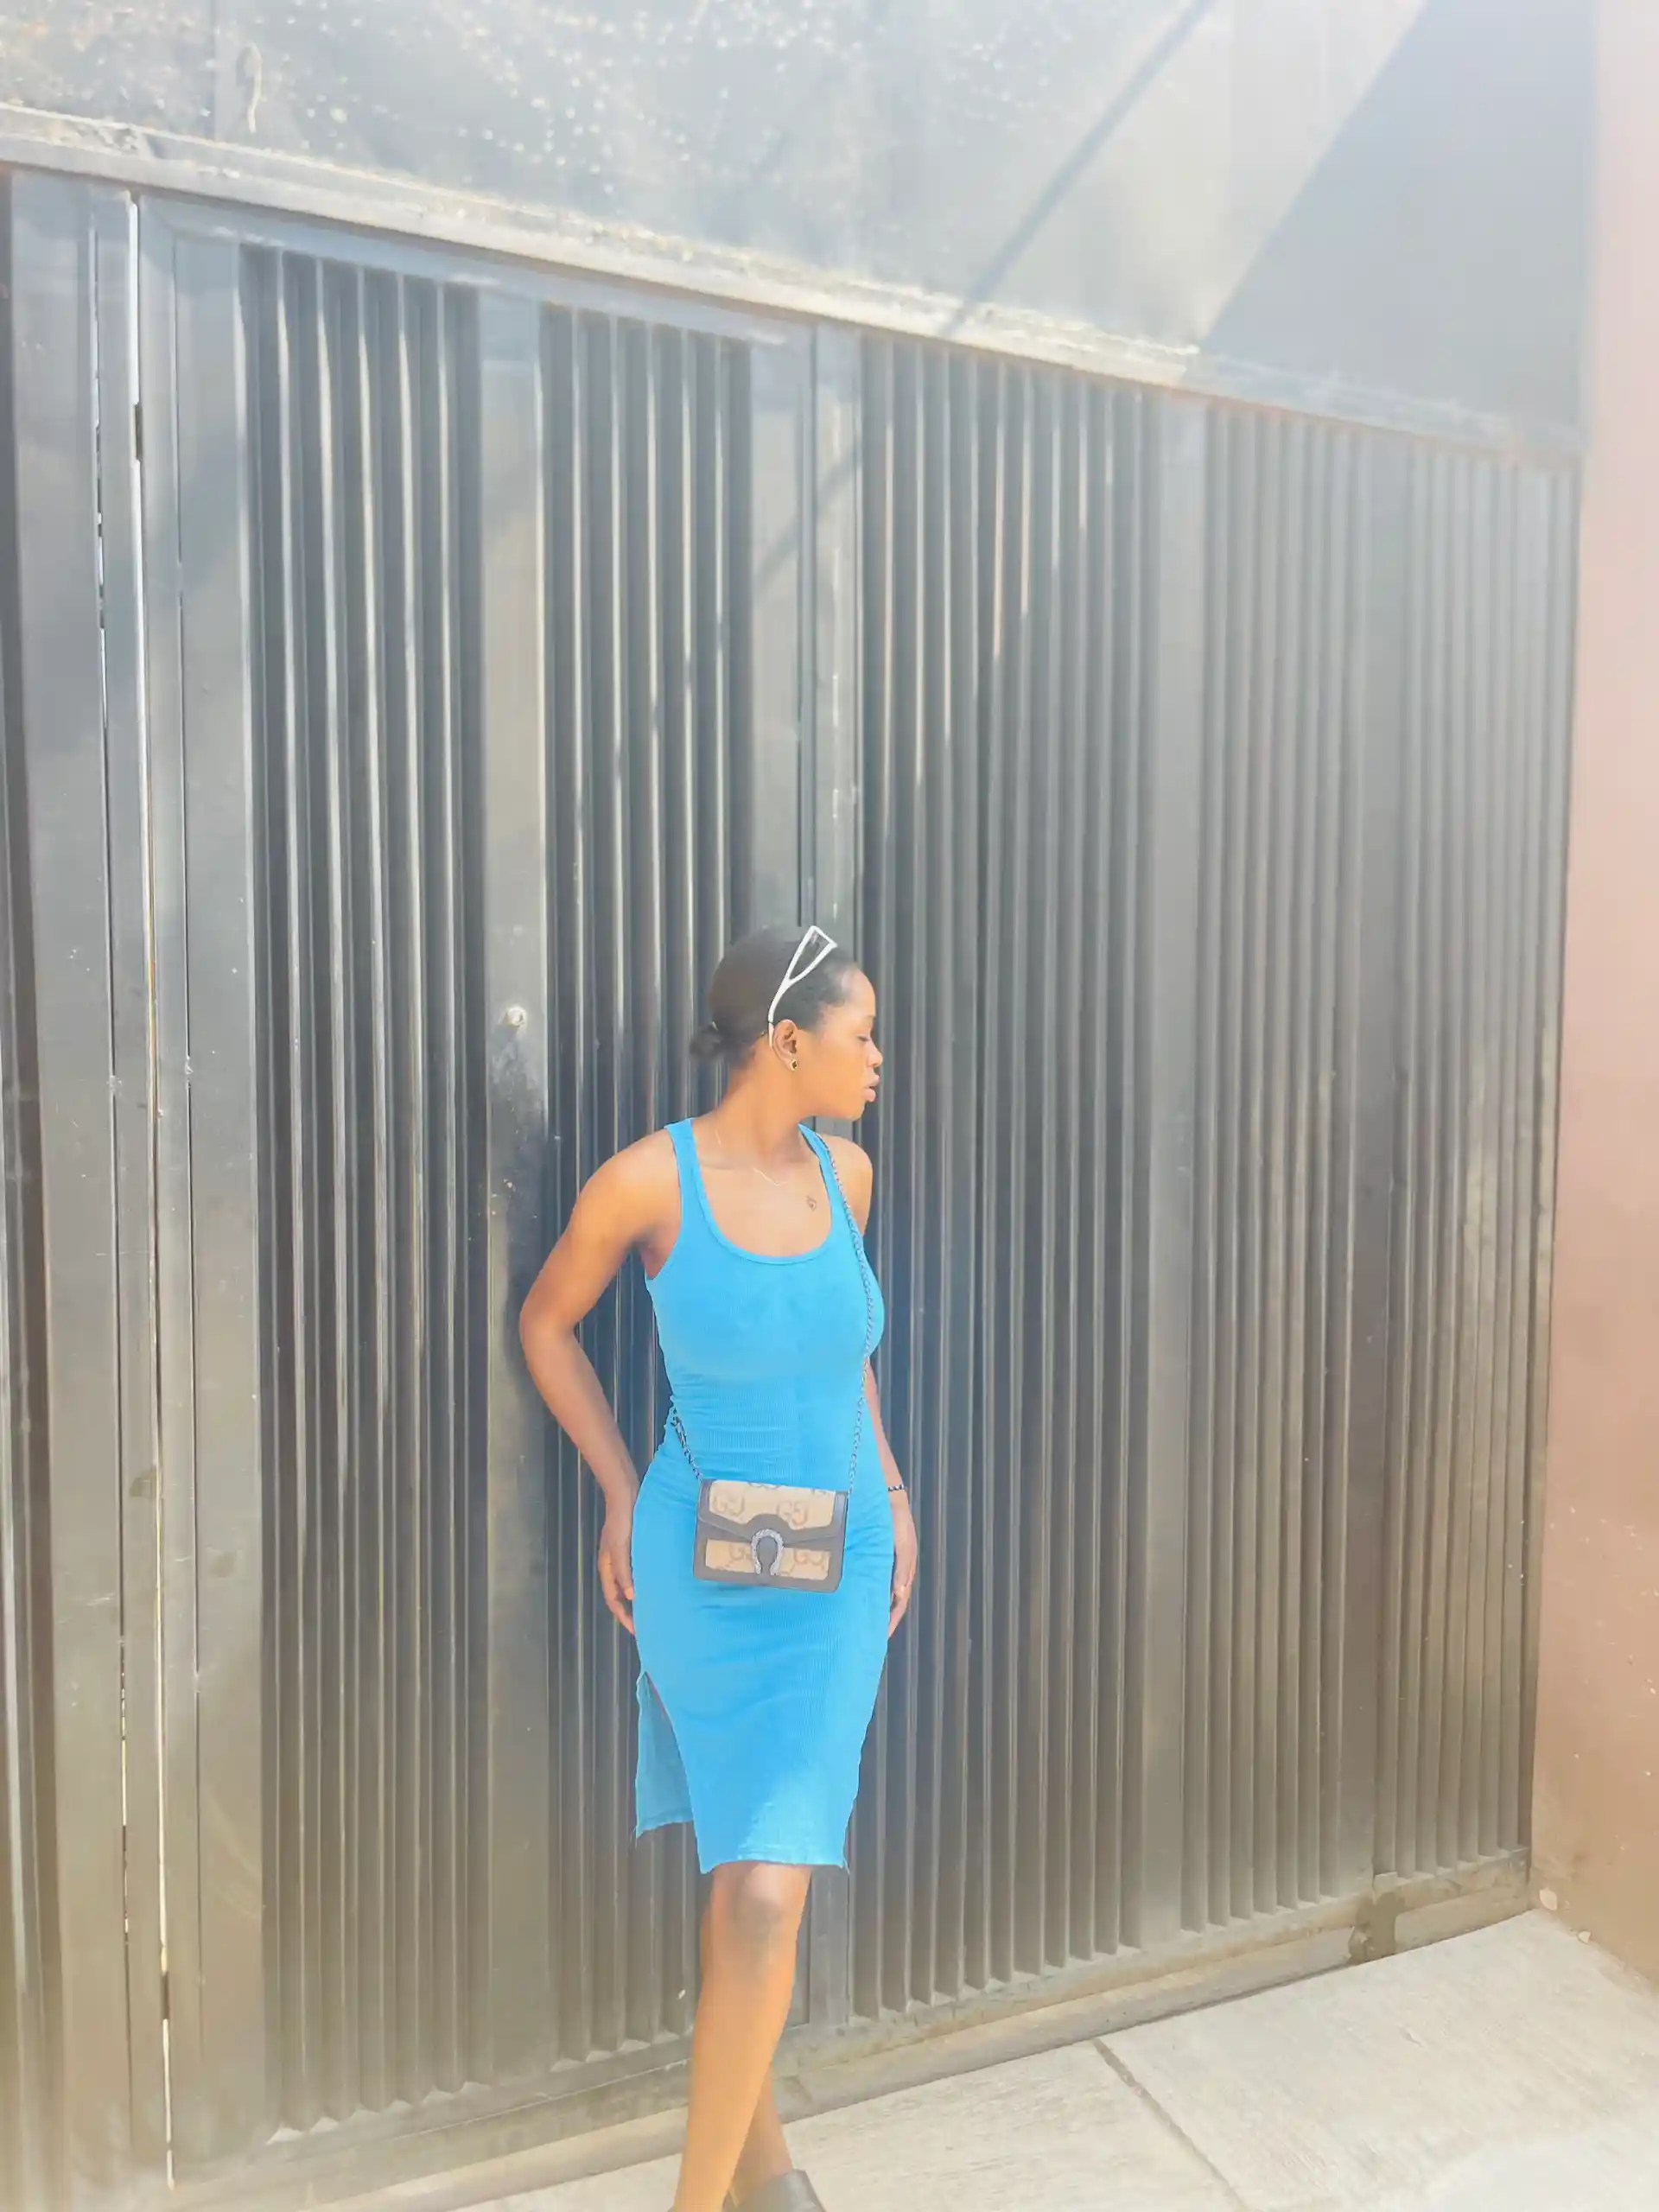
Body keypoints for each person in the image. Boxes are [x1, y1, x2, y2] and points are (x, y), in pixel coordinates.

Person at [519, 924, 918, 2212]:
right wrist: (617, 1486)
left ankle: (741, 2188)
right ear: (789, 1043)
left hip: (836, 1564)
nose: (878, 1057)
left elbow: (842, 1355)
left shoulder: (847, 1176)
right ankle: (754, 2188)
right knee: (748, 1883)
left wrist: (893, 1487)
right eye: (862, 1034)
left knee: (762, 1892)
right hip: (701, 1562)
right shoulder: (648, 1183)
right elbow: (546, 1324)